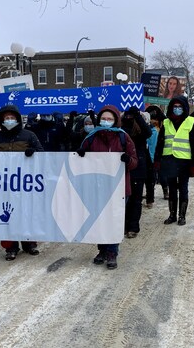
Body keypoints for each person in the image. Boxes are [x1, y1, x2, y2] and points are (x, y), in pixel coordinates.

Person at [77, 105, 138, 269]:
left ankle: (112, 252)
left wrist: (128, 160)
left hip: (119, 188)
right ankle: (102, 250)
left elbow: (134, 161)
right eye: (103, 118)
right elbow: (79, 159)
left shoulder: (123, 137)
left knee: (113, 220)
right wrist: (81, 153)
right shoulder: (91, 137)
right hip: (97, 187)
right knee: (99, 220)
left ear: (116, 120)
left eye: (110, 119)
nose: (106, 121)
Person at [0, 105, 44, 261]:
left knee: (26, 213)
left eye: (12, 118)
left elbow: (43, 155)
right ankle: (10, 247)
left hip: (25, 184)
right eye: (6, 118)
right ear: (1, 120)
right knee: (6, 215)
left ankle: (29, 243)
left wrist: (33, 153)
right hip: (2, 184)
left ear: (17, 119)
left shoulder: (29, 135)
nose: (9, 120)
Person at [154, 95, 194, 226]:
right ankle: (172, 215)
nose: (177, 109)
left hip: (184, 162)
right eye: (175, 106)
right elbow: (160, 143)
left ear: (184, 108)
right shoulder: (166, 122)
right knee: (172, 189)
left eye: (180, 107)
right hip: (169, 161)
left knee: (183, 188)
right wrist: (157, 160)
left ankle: (182, 216)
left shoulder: (191, 122)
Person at [120, 107, 152, 238]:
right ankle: (124, 225)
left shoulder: (140, 132)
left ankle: (133, 227)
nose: (129, 119)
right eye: (127, 116)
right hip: (123, 168)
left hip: (138, 168)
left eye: (130, 117)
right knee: (124, 200)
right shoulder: (121, 131)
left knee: (136, 200)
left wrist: (137, 115)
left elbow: (147, 132)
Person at [145, 110, 160, 209]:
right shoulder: (137, 130)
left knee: (150, 181)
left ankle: (150, 199)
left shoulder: (154, 132)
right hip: (142, 158)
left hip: (151, 158)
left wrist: (154, 159)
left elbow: (154, 146)